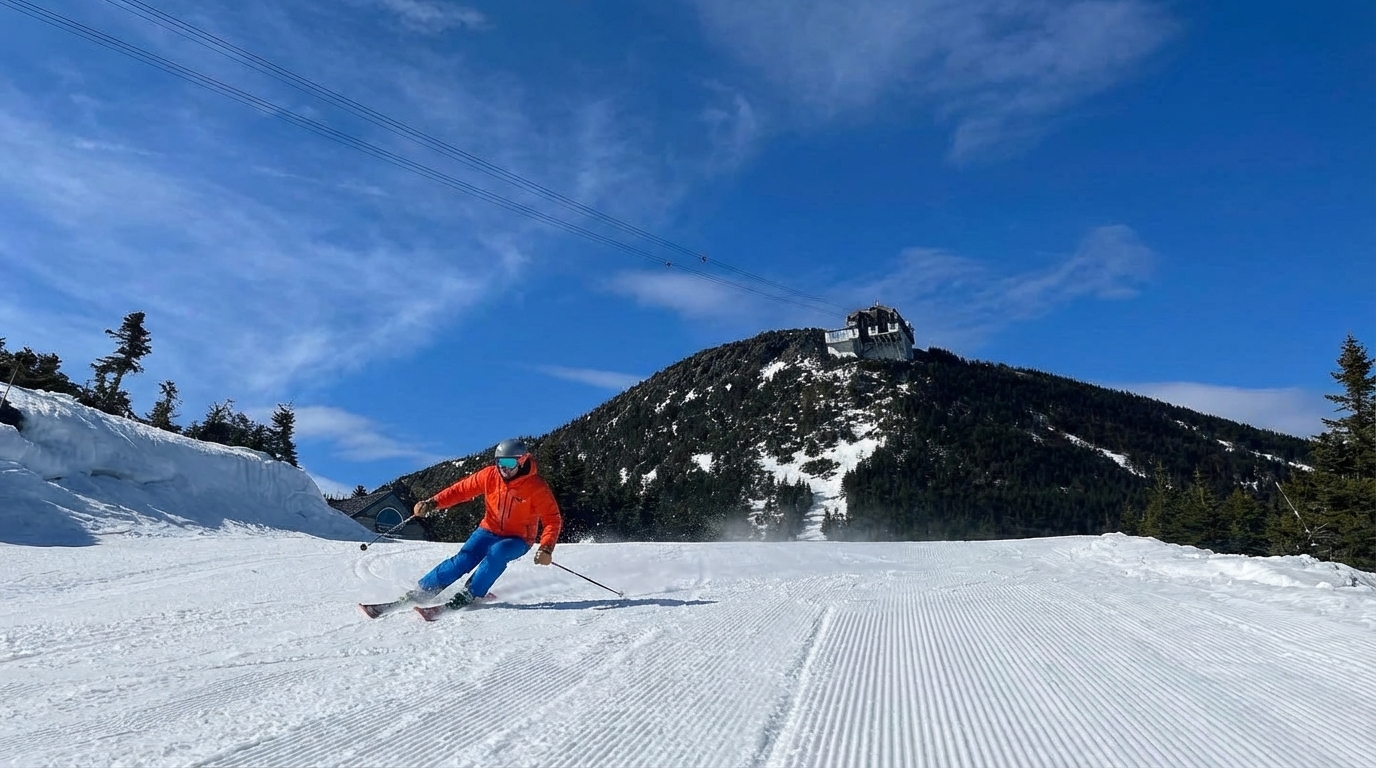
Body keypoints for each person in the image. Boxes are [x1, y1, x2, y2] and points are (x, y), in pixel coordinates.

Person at [408, 438, 562, 609]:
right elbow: (461, 490)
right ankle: (424, 589)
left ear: (522, 460)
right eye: (500, 462)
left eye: (509, 462)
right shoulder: (489, 475)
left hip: (519, 539)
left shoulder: (536, 487)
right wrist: (432, 503)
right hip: (489, 529)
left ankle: (472, 592)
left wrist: (546, 548)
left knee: (497, 552)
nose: (503, 467)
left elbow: (552, 519)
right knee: (463, 559)